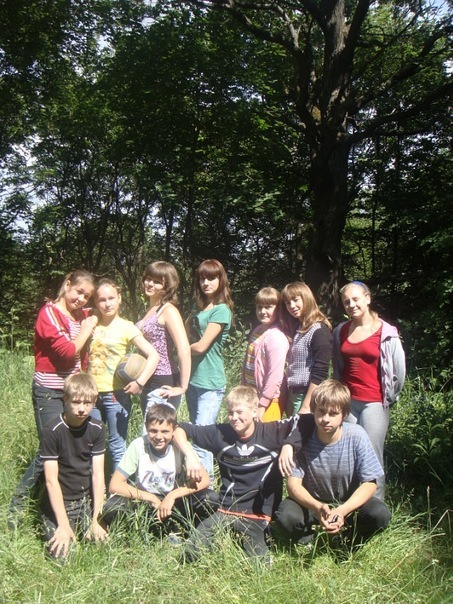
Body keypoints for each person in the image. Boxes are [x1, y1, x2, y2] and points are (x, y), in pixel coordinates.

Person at [174, 385, 311, 562]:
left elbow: (306, 420)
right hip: (225, 509)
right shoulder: (219, 433)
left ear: (254, 411)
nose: (234, 418)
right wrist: (190, 456)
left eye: (240, 412)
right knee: (189, 554)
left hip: (258, 514)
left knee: (259, 565)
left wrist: (289, 444)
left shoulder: (272, 432)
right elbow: (178, 428)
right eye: (230, 413)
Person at [9, 269, 98, 522]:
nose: (82, 299)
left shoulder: (81, 315)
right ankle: (18, 506)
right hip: (49, 392)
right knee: (48, 450)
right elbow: (67, 353)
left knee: (72, 447)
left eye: (87, 296)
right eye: (79, 291)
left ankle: (65, 503)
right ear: (67, 284)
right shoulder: (48, 313)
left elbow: (103, 309)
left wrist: (94, 315)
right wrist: (87, 328)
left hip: (74, 394)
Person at [276, 380, 391, 546]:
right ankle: (309, 540)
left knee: (380, 513)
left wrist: (342, 511)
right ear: (313, 410)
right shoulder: (303, 437)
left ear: (344, 414)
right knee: (285, 515)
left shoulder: (357, 435)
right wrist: (318, 507)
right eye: (321, 412)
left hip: (348, 503)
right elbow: (293, 485)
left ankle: (350, 539)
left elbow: (370, 483)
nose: (325, 419)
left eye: (333, 414)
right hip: (313, 503)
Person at [332, 281, 406, 499]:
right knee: (349, 451)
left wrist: (390, 396)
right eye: (346, 302)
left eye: (355, 299)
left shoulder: (386, 332)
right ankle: (350, 501)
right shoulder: (340, 331)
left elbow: (399, 370)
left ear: (367, 298)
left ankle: (375, 505)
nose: (351, 305)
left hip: (374, 402)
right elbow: (338, 366)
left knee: (372, 455)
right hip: (347, 402)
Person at [101, 403, 213, 538]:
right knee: (112, 506)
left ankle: (189, 531)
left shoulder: (181, 447)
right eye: (153, 431)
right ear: (146, 428)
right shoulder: (138, 445)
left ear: (174, 430)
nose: (159, 437)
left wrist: (172, 496)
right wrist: (151, 498)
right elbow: (115, 485)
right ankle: (141, 532)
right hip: (147, 501)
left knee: (210, 499)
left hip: (176, 501)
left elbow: (205, 480)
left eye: (165, 431)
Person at [88, 279, 160, 469]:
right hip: (90, 395)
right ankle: (93, 484)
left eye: (111, 298)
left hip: (116, 395)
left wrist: (140, 382)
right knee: (91, 444)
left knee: (116, 444)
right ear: (96, 302)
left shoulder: (127, 327)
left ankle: (118, 486)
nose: (107, 303)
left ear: (120, 298)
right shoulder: (91, 324)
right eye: (102, 300)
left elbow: (153, 355)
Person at [40, 373, 108, 559]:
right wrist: (63, 524)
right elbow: (51, 480)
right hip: (60, 502)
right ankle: (56, 524)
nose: (81, 409)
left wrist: (96, 518)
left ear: (94, 402)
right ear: (65, 399)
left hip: (86, 501)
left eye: (87, 403)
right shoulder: (52, 430)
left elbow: (98, 474)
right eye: (76, 402)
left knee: (103, 548)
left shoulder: (97, 428)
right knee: (62, 556)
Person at [185, 259, 233, 480]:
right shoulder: (198, 310)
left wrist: (179, 351)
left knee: (202, 439)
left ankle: (206, 488)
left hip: (210, 383)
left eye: (211, 278)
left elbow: (202, 346)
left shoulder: (221, 310)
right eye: (202, 278)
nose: (206, 283)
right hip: (192, 381)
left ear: (220, 280)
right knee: (195, 434)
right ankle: (195, 483)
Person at [136, 261, 191, 414]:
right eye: (148, 279)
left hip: (163, 379)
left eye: (157, 282)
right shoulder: (149, 310)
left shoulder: (168, 310)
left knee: (155, 428)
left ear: (167, 286)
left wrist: (183, 387)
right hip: (146, 377)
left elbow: (184, 348)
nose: (150, 284)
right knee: (150, 426)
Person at [281, 281, 332, 416]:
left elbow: (320, 371)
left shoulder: (319, 330)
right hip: (293, 393)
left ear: (306, 298)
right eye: (287, 303)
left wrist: (307, 405)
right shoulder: (298, 328)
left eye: (295, 300)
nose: (292, 306)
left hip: (306, 396)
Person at [241, 287, 289, 421]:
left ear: (278, 309)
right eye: (259, 307)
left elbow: (275, 376)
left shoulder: (276, 337)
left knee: (264, 432)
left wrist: (263, 405)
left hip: (269, 401)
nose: (262, 312)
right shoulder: (258, 330)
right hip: (251, 396)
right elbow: (248, 361)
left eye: (268, 307)